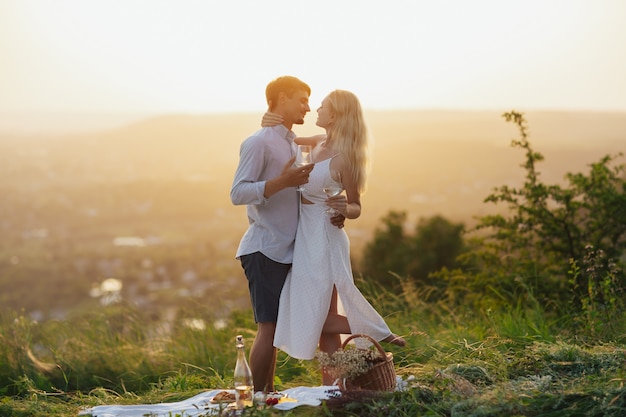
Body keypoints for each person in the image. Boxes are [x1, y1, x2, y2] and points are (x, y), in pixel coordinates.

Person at [266, 89, 406, 384]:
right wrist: (267, 120)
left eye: (323, 106)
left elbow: (356, 205)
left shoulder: (345, 158)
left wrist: (346, 207)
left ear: (336, 115)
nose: (316, 109)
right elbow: (283, 141)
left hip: (325, 236)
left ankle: (377, 333)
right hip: (306, 235)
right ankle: (332, 388)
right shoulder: (317, 142)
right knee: (319, 313)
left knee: (315, 314)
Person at [230, 76, 344, 393]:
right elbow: (237, 193)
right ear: (282, 98)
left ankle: (268, 397)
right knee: (269, 328)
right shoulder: (258, 142)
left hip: (290, 250)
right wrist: (283, 181)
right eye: (302, 100)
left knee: (278, 328)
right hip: (265, 247)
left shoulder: (291, 142)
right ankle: (258, 398)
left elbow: (335, 137)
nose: (308, 106)